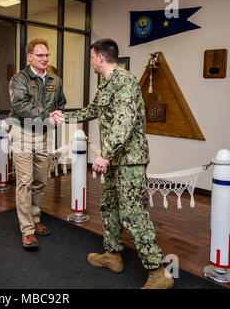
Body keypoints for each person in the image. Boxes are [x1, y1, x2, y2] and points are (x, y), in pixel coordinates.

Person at [50, 38, 174, 289]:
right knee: (109, 206)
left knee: (132, 213)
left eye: (92, 56)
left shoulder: (125, 82)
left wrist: (105, 154)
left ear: (100, 57)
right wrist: (65, 116)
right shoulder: (107, 84)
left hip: (130, 161)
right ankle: (113, 255)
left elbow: (124, 123)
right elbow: (92, 110)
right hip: (117, 161)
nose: (91, 60)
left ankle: (158, 271)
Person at [9, 38, 66, 249]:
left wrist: (58, 114)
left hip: (44, 135)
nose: (44, 59)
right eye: (40, 55)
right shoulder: (19, 79)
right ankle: (27, 231)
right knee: (24, 181)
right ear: (29, 57)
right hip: (23, 133)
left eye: (46, 55)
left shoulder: (55, 80)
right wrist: (47, 115)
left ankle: (35, 218)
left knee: (41, 180)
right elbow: (21, 106)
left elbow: (60, 103)